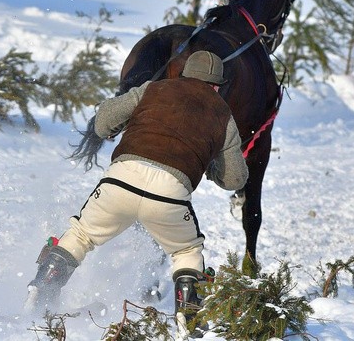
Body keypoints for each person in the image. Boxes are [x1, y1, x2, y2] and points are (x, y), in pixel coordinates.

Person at [24, 51, 249, 323]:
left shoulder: (154, 88)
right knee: (186, 252)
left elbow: (103, 119)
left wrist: (124, 123)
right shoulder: (223, 114)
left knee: (81, 235)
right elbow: (235, 179)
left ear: (185, 73)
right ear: (217, 85)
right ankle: (187, 321)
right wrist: (208, 163)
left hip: (120, 181)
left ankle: (41, 293)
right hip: (169, 196)